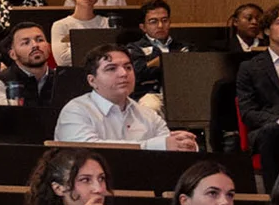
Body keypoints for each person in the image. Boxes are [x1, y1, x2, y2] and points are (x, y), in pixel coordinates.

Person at [54, 44, 199, 151]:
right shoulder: (76, 111)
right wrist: (157, 145)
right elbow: (90, 151)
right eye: (111, 69)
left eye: (128, 67)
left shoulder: (147, 114)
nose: (123, 73)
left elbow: (169, 145)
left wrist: (184, 143)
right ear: (92, 80)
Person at [236, 1, 279, 184]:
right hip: (271, 127)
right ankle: (274, 197)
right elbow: (248, 113)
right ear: (267, 30)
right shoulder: (250, 68)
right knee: (271, 131)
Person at [122, 0, 186, 115]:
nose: (160, 25)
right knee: (151, 106)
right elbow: (138, 73)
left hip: (182, 93)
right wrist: (168, 61)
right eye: (153, 21)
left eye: (164, 20)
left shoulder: (183, 47)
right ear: (143, 27)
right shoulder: (134, 49)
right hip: (150, 94)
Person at [50, 0, 114, 68]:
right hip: (74, 73)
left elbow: (111, 55)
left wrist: (77, 48)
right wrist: (98, 45)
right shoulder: (60, 25)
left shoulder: (106, 22)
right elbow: (62, 60)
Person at [0, 22, 57, 106]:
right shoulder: (0, 83)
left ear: (48, 47)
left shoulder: (62, 81)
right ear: (13, 54)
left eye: (40, 40)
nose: (35, 45)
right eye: (26, 43)